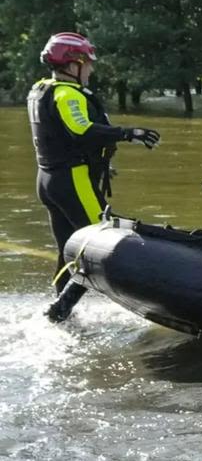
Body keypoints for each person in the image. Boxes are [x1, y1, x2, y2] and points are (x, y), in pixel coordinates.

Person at [27, 32, 161, 323]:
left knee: (67, 249)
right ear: (72, 64)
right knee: (98, 244)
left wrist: (100, 164)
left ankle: (60, 316)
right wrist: (129, 133)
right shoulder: (66, 94)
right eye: (87, 63)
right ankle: (61, 307)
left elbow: (58, 137)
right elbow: (82, 130)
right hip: (71, 181)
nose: (91, 69)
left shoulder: (40, 89)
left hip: (49, 180)